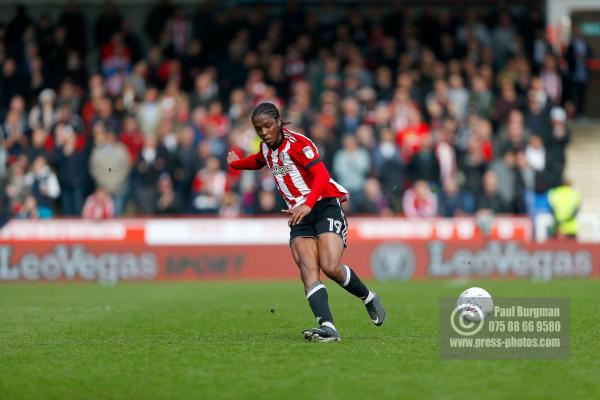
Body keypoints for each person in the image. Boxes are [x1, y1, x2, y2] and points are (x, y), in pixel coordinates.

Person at [227, 102, 386, 342]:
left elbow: (322, 175)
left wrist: (309, 204)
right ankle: (328, 327)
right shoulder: (266, 148)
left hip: (323, 206)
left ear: (279, 122)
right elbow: (258, 161)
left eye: (268, 126)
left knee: (330, 266)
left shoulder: (299, 144)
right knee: (308, 269)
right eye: (258, 128)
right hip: (298, 216)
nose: (264, 132)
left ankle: (369, 298)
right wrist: (235, 163)